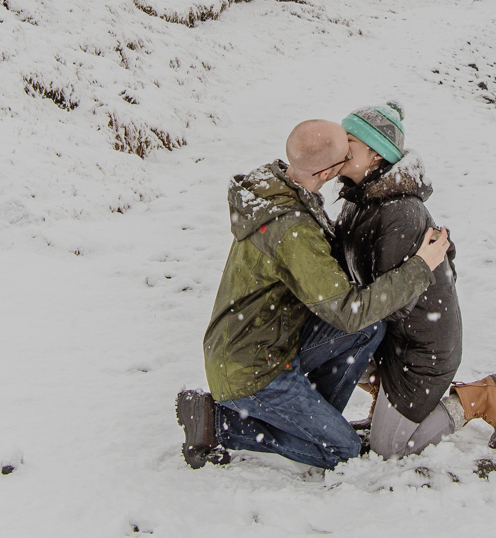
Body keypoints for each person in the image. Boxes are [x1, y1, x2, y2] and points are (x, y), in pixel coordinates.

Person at [176, 118, 452, 470]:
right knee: (345, 452)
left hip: (268, 337)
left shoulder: (280, 184)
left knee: (369, 328)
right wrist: (419, 268)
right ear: (326, 173)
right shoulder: (292, 232)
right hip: (252, 369)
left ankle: (313, 419)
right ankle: (218, 423)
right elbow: (348, 311)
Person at [334, 101, 496, 459]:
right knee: (331, 338)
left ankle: (479, 398)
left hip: (422, 350)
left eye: (349, 141)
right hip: (390, 336)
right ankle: (384, 397)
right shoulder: (358, 200)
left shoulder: (400, 212)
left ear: (374, 154)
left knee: (391, 447)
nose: (338, 147)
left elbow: (398, 304)